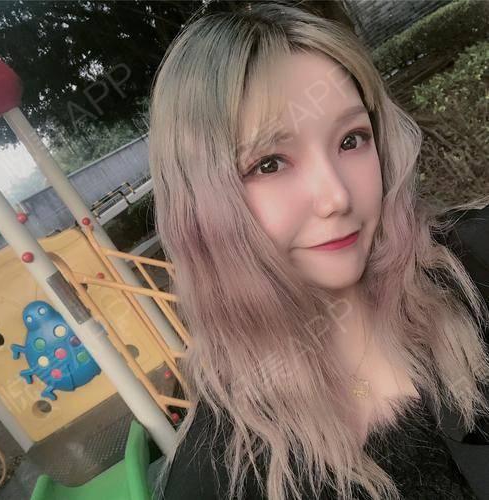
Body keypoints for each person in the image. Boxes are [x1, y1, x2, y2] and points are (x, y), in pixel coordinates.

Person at [147, 2, 489, 499]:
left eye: (352, 140)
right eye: (269, 164)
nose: (336, 197)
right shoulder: (217, 481)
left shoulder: (475, 263)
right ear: (201, 205)